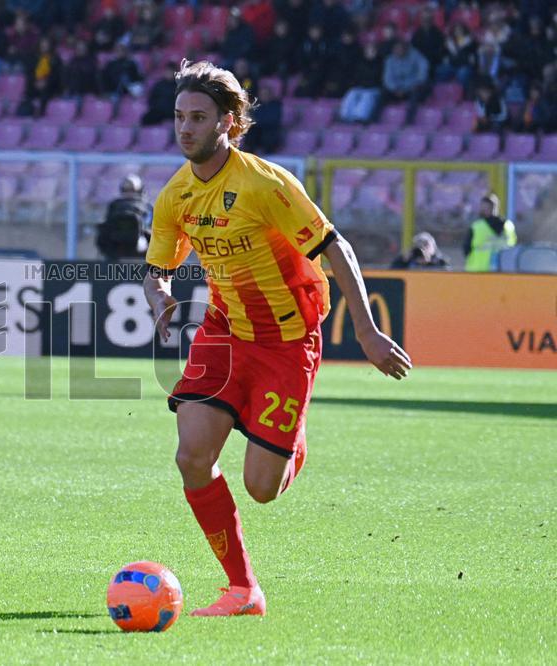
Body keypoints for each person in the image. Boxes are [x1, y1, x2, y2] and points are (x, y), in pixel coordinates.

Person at [143, 60, 411, 617]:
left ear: (228, 121)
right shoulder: (175, 195)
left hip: (287, 341)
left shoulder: (265, 184)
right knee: (192, 456)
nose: (185, 127)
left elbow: (336, 248)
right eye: (179, 116)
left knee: (262, 488)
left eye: (198, 117)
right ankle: (243, 589)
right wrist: (160, 296)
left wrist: (366, 331)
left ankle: (291, 435)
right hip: (223, 332)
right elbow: (157, 268)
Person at [96, 174, 153, 262]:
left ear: (139, 190)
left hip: (141, 249)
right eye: (126, 189)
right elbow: (107, 226)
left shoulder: (147, 206)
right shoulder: (114, 205)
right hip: (115, 248)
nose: (129, 192)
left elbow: (150, 226)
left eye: (132, 190)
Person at [464, 193, 516, 272]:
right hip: (503, 271)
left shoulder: (476, 227)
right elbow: (513, 246)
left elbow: (466, 249)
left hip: (478, 271)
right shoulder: (509, 226)